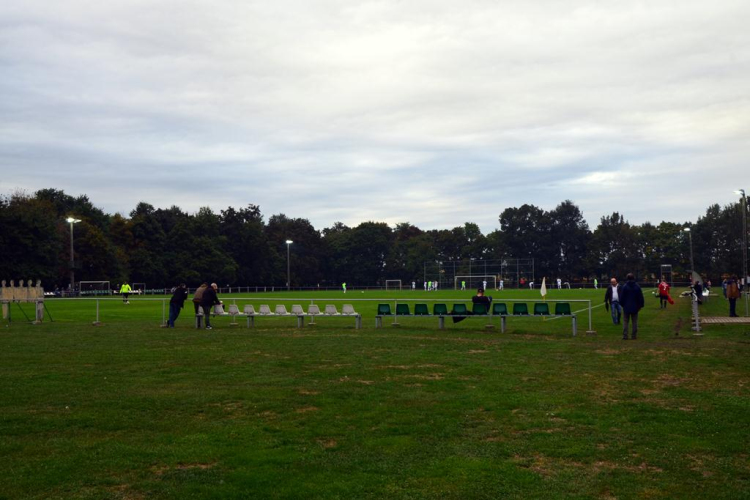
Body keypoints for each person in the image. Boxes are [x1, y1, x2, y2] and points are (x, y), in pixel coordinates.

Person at [619, 273, 644, 340]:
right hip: (635, 307)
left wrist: (622, 304)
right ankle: (634, 335)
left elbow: (621, 297)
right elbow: (640, 297)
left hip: (626, 306)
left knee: (625, 321)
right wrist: (640, 305)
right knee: (634, 322)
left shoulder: (625, 286)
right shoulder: (637, 286)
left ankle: (625, 335)